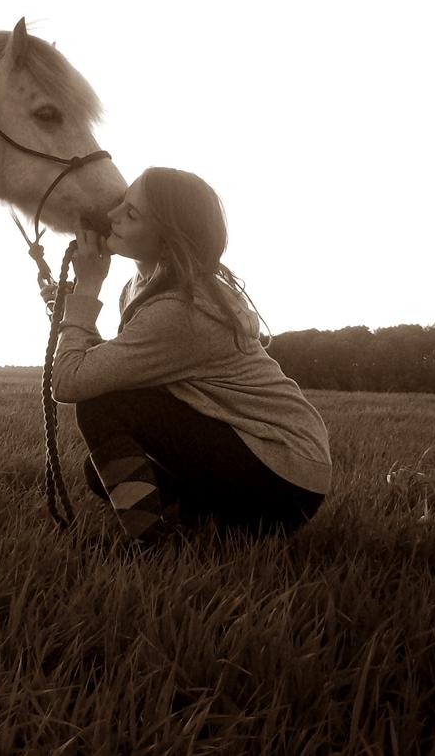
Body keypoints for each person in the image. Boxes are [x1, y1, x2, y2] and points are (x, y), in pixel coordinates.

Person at [50, 167, 331, 541]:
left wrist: (86, 289)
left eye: (130, 214)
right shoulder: (141, 286)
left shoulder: (180, 309)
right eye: (121, 204)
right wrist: (76, 309)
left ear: (167, 240)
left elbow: (73, 382)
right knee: (102, 471)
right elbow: (111, 365)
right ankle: (209, 527)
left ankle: (149, 548)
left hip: (281, 475)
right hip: (271, 470)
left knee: (100, 405)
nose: (112, 215)